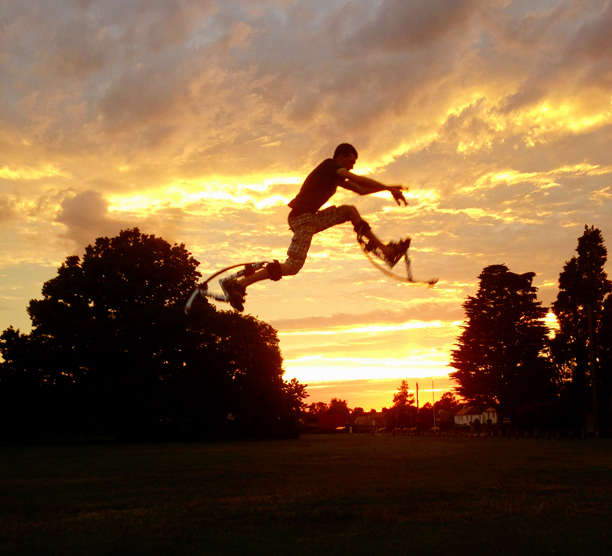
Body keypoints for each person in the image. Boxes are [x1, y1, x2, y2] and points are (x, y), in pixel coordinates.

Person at [221, 143, 410, 311]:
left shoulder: (336, 177)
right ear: (341, 157)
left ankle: (386, 250)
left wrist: (389, 188)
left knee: (349, 211)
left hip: (310, 218)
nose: (353, 166)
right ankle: (240, 285)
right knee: (293, 265)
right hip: (301, 218)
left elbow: (360, 190)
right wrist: (388, 188)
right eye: (351, 161)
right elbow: (359, 180)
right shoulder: (330, 165)